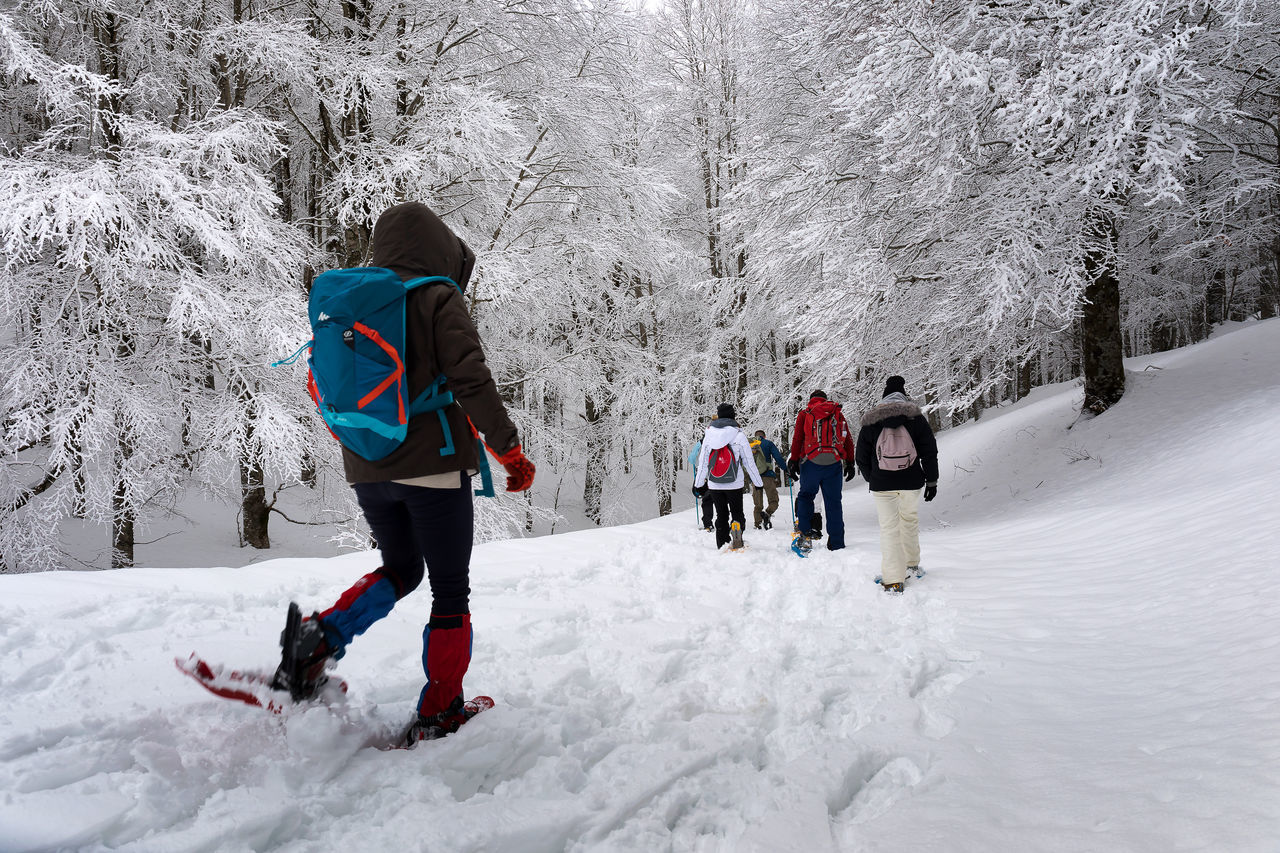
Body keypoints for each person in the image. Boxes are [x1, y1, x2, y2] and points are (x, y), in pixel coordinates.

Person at [271, 201, 536, 744]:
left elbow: (320, 384)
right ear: (438, 246)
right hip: (433, 466)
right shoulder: (438, 297)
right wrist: (508, 450)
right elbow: (472, 382)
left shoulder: (351, 302)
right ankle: (441, 709)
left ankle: (317, 641)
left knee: (401, 567)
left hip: (367, 466)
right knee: (449, 590)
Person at [854, 375, 939, 594]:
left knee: (889, 528)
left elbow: (861, 455)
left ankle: (893, 579)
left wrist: (872, 478)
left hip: (882, 484)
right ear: (904, 395)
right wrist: (931, 480)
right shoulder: (916, 419)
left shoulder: (871, 421)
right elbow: (929, 451)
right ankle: (912, 564)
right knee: (909, 520)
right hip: (912, 481)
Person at [786, 390, 857, 551]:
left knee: (805, 497)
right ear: (826, 400)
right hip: (834, 463)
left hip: (810, 462)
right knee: (833, 503)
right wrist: (850, 463)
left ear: (810, 400)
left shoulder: (805, 413)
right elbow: (848, 440)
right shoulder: (836, 413)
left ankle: (804, 537)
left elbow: (798, 438)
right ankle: (837, 542)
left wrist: (794, 461)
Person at [693, 403, 764, 550]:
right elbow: (749, 462)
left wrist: (698, 484)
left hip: (714, 484)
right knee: (737, 512)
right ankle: (737, 527)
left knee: (721, 514)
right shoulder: (738, 435)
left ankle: (722, 543)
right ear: (733, 416)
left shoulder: (709, 436)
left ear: (718, 416)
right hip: (734, 483)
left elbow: (703, 463)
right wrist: (758, 483)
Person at [749, 429, 788, 529]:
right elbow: (778, 457)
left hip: (755, 477)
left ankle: (758, 524)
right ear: (764, 436)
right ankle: (767, 513)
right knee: (773, 500)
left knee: (758, 503)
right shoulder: (768, 443)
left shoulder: (750, 445)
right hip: (768, 476)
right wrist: (786, 469)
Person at [687, 418, 714, 531]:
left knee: (707, 500)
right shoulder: (722, 441)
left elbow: (692, 459)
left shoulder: (701, 443)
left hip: (703, 476)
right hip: (719, 474)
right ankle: (724, 522)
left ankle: (708, 524)